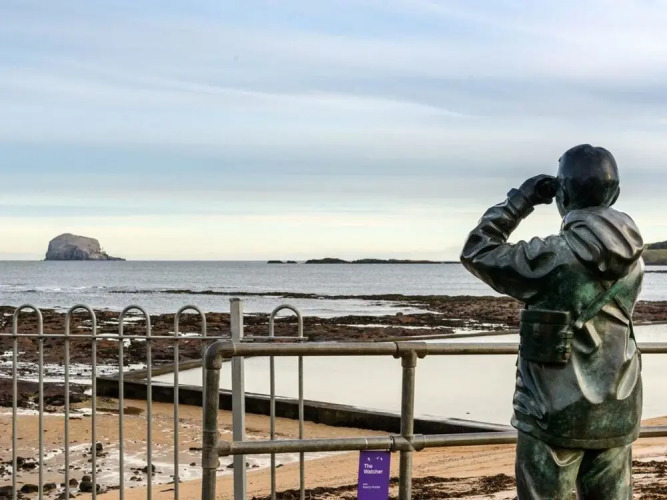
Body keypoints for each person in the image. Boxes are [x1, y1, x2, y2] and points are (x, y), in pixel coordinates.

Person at [460, 144, 644, 499]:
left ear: (562, 194)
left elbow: (477, 250)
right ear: (616, 194)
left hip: (551, 412)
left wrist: (520, 200)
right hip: (619, 405)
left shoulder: (551, 256)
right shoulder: (636, 260)